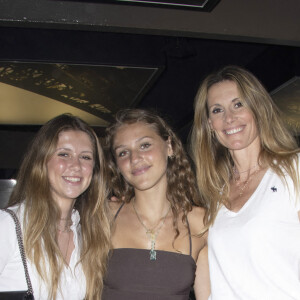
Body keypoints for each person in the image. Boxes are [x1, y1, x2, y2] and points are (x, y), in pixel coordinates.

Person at [190, 65, 300, 299]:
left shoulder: (294, 168)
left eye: (238, 104)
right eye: (217, 110)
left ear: (258, 108)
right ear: (210, 124)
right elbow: (209, 267)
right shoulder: (211, 190)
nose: (229, 118)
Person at [102, 108, 210, 300]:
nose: (134, 159)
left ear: (169, 146)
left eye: (144, 145)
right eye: (123, 152)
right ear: (117, 165)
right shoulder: (103, 216)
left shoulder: (201, 222)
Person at [0, 114, 111, 299]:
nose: (75, 165)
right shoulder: (8, 226)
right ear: (42, 160)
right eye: (64, 154)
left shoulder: (88, 234)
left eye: (85, 157)